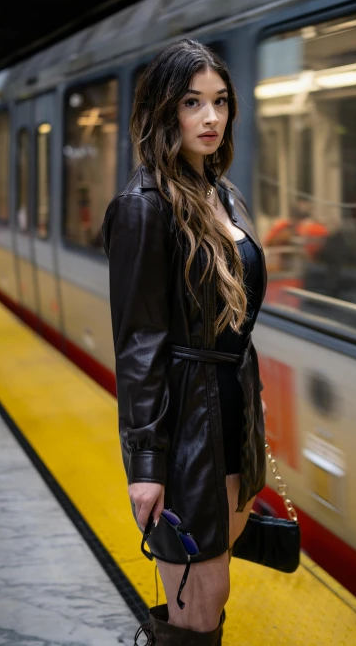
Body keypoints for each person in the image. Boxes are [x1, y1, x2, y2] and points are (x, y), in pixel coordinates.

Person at [102, 40, 268, 645]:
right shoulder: (143, 207)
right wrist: (146, 464)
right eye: (193, 102)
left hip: (227, 422)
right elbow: (139, 345)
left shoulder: (220, 195)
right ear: (163, 110)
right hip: (186, 432)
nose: (211, 117)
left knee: (213, 593)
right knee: (194, 610)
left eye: (220, 102)